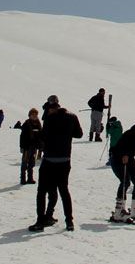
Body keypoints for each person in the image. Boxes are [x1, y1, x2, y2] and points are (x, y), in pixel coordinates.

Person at [31, 95, 82, 232]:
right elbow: (79, 134)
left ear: (50, 109)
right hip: (65, 160)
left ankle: (40, 222)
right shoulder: (72, 117)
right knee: (64, 191)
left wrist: (37, 135)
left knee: (42, 191)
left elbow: (43, 136)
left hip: (49, 160)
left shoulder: (50, 119)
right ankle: (69, 221)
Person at [18, 108, 41, 185]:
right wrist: (22, 147)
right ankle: (23, 179)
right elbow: (22, 136)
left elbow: (41, 136)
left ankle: (30, 178)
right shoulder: (26, 124)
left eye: (36, 114)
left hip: (34, 147)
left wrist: (40, 145)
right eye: (33, 114)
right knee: (24, 163)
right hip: (27, 147)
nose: (34, 116)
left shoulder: (38, 124)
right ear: (29, 115)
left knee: (31, 163)